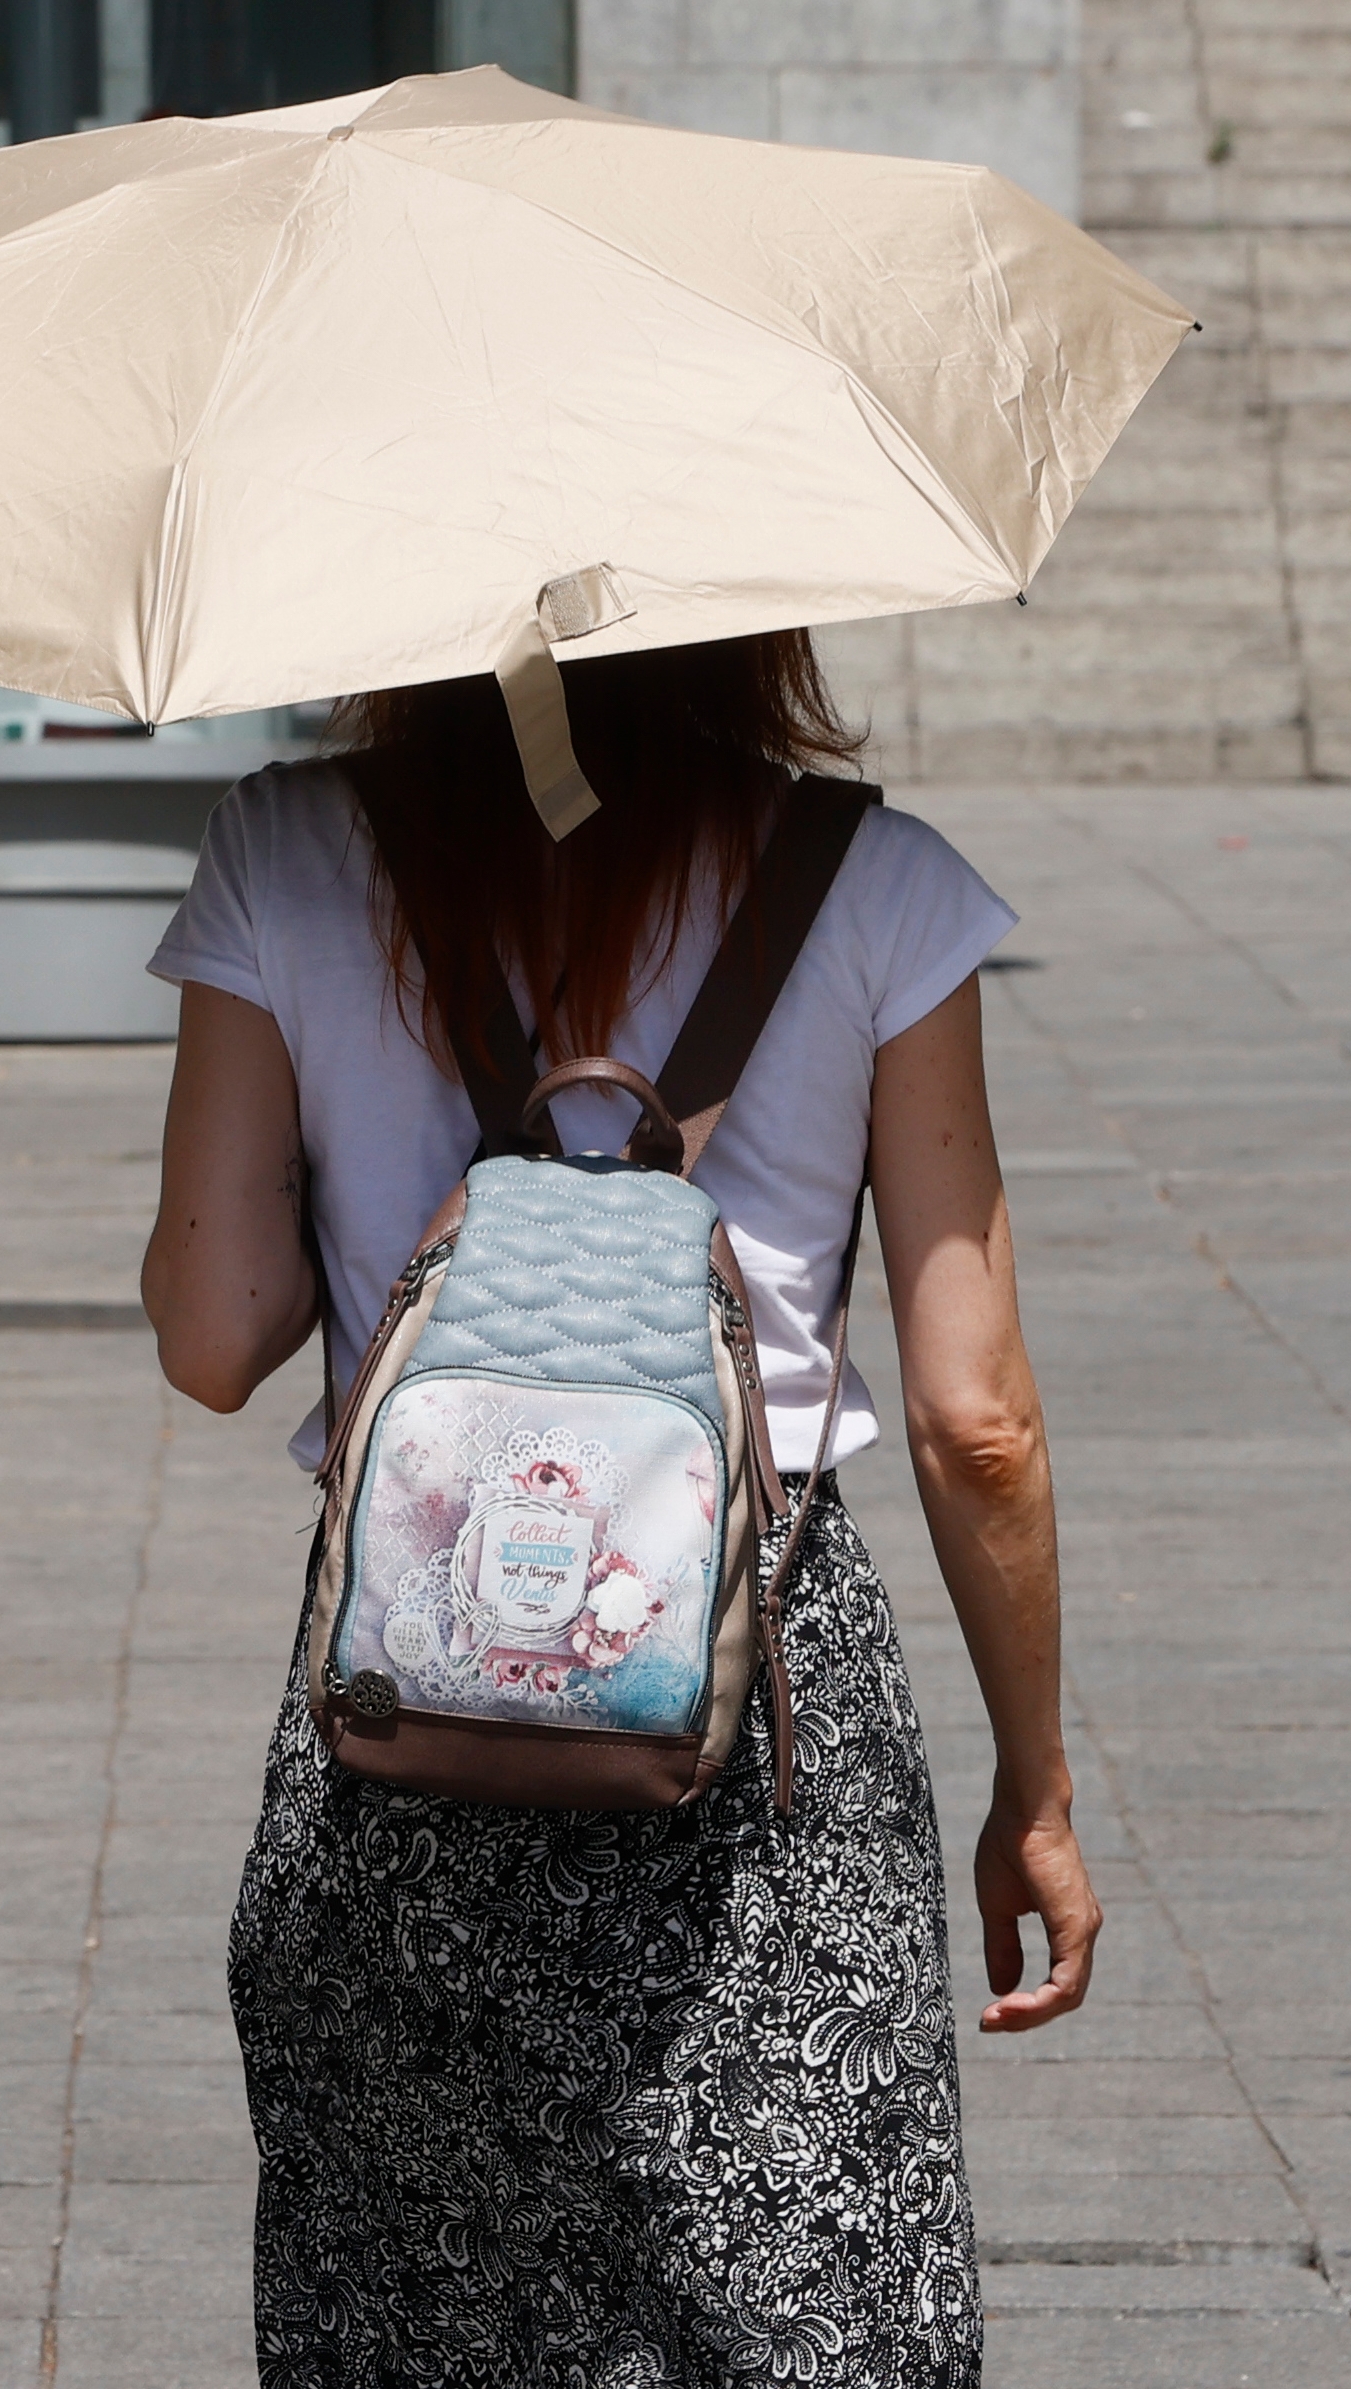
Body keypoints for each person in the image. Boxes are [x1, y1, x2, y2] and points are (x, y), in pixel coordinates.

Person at [138, 635, 1096, 2387]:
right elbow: (977, 1414)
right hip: (764, 1698)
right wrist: (1031, 1781)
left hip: (406, 1692)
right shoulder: (868, 881)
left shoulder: (284, 852)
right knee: (805, 2291)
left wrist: (394, 1238)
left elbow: (212, 1335)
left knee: (423, 2304)